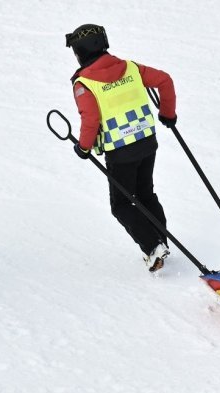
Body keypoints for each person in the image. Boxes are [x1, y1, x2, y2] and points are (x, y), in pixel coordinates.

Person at [66, 24, 177, 272]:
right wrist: (167, 113)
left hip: (120, 151)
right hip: (147, 141)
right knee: (146, 194)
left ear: (80, 52)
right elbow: (164, 80)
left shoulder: (83, 83)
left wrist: (83, 148)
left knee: (122, 204)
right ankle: (162, 242)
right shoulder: (131, 68)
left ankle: (153, 247)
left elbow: (91, 119)